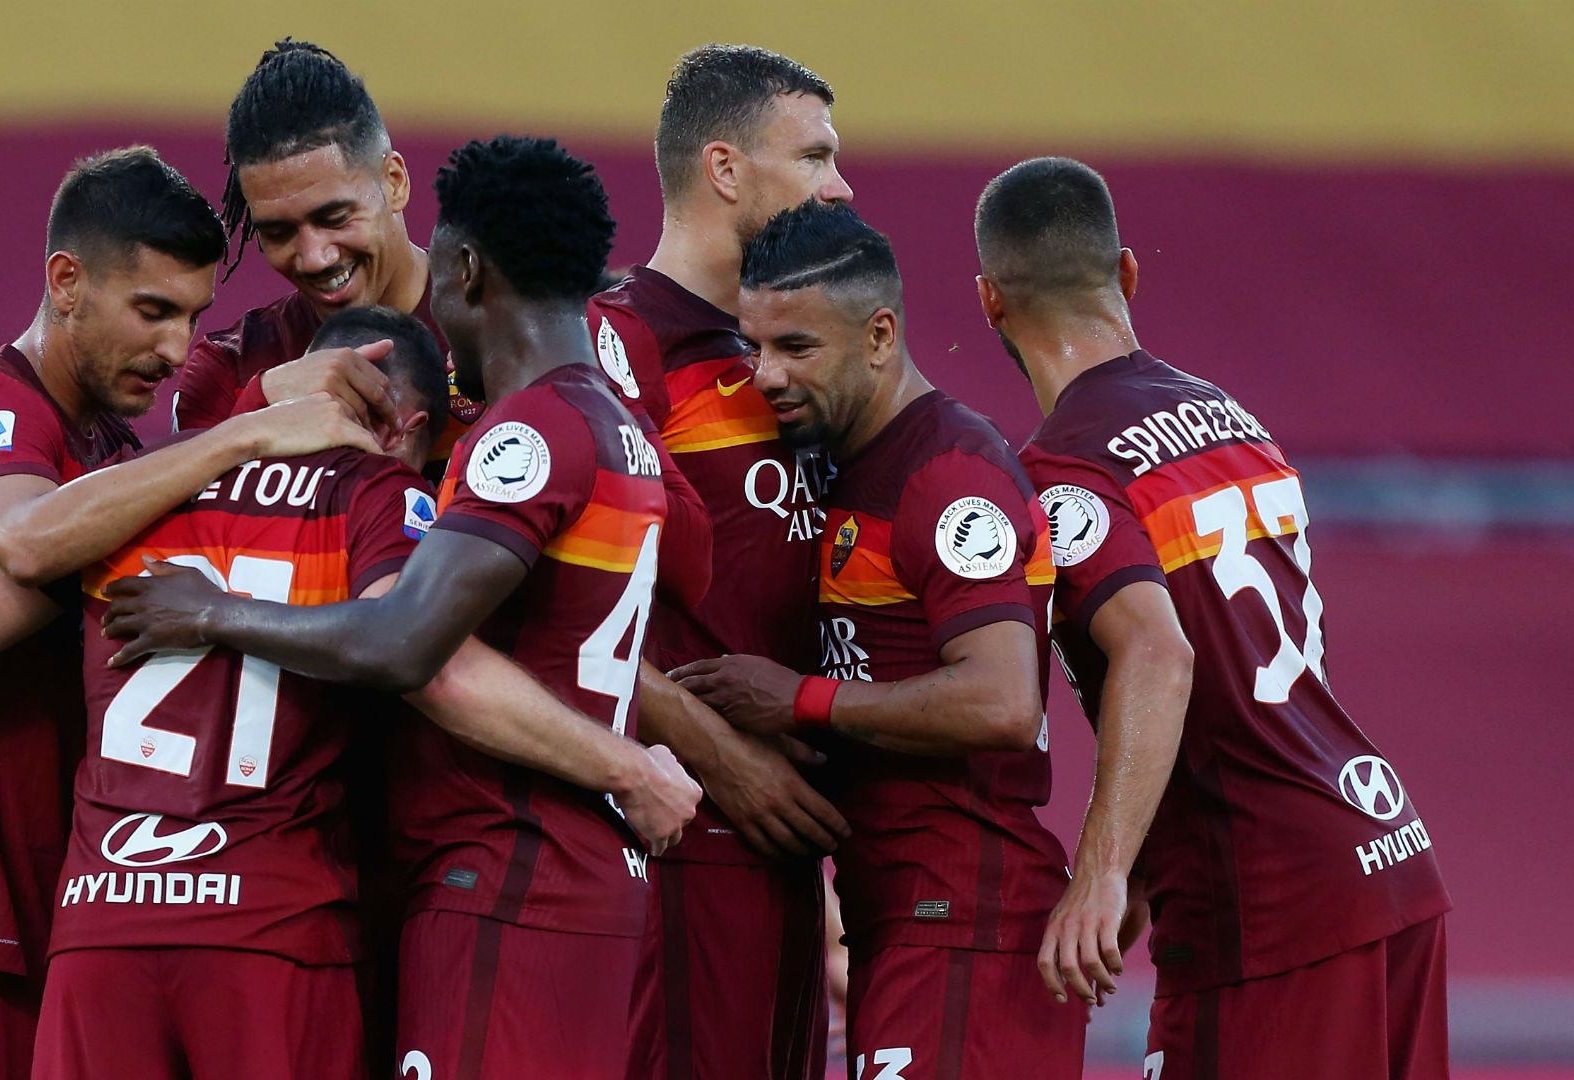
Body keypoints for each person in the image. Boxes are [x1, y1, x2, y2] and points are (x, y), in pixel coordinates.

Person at [102, 135, 702, 1080]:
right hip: (581, 878)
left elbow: (404, 643)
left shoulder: (527, 433)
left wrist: (213, 612)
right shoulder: (620, 429)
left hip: (507, 868)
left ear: (462, 269)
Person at [0, 145, 375, 1080]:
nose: (176, 349)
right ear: (65, 282)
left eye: (192, 317)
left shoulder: (104, 451)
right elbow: (18, 547)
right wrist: (249, 429)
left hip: (45, 907)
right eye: (152, 311)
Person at [976, 156, 1451, 1079]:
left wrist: (1102, 869)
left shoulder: (1066, 472)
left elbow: (1162, 655)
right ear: (1126, 273)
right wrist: (1149, 864)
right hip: (1388, 857)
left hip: (1270, 911)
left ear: (990, 301)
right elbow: (1254, 662)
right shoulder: (1232, 419)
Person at [676, 201, 1086, 1077]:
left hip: (967, 923)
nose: (765, 376)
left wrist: (799, 700)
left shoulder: (947, 476)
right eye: (753, 347)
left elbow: (1003, 700)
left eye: (795, 349)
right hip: (906, 921)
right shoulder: (849, 466)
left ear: (879, 335)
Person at [587, 43, 853, 1080]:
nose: (842, 184)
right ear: (726, 169)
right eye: (816, 155)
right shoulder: (619, 346)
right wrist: (715, 752)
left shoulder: (791, 355)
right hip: (678, 838)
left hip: (782, 846)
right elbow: (556, 616)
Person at [175, 39, 482, 459]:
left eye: (335, 218)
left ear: (394, 182)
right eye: (279, 232)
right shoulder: (230, 372)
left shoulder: (501, 336)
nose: (315, 257)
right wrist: (260, 409)